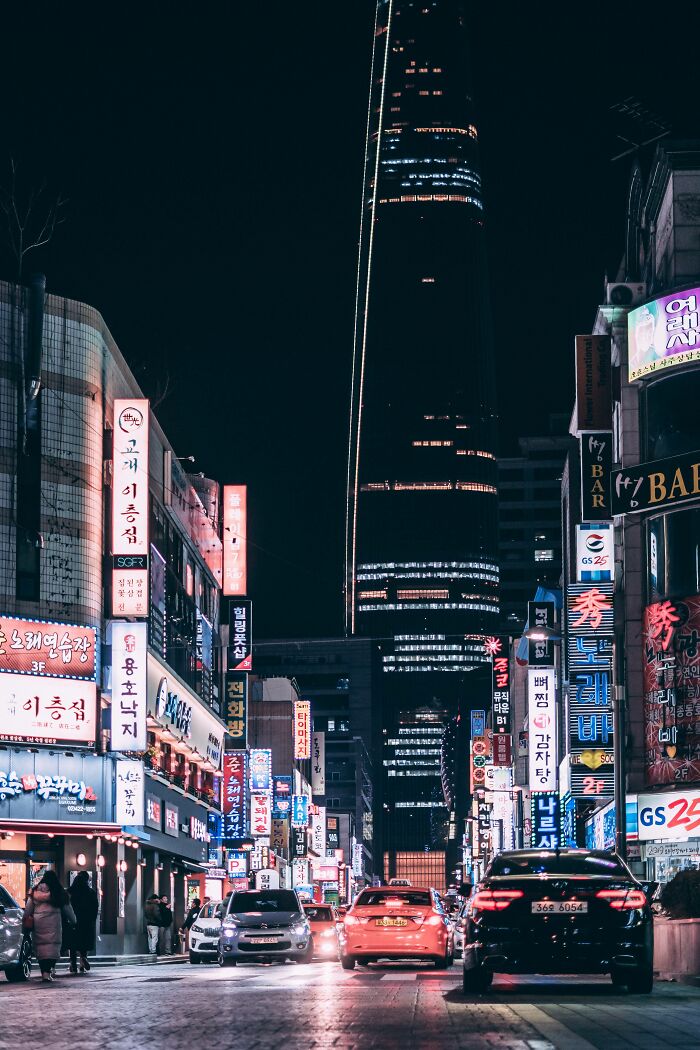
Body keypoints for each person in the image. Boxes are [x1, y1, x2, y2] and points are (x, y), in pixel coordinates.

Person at [23, 871, 76, 983]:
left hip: (39, 924)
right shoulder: (58, 892)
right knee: (52, 947)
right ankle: (48, 970)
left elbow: (28, 909)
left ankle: (44, 972)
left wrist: (26, 918)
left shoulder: (35, 892)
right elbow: (68, 909)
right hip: (54, 924)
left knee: (41, 947)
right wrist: (74, 920)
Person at [67, 872, 99, 974]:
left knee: (72, 943)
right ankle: (83, 959)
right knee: (84, 942)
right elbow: (95, 907)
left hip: (73, 921)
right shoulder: (91, 892)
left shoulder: (70, 892)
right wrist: (92, 920)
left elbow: (66, 907)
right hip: (87, 922)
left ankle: (73, 964)